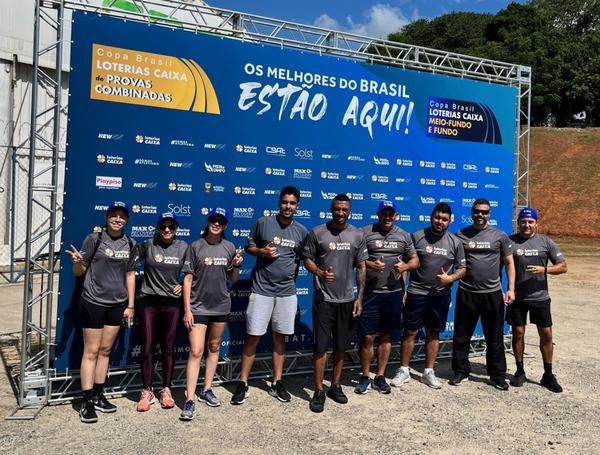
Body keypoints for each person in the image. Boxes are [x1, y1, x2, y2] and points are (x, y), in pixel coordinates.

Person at [231, 186, 308, 405]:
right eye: (285, 202)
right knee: (253, 337)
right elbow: (249, 247)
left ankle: (277, 382)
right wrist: (262, 252)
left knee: (279, 338)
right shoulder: (263, 223)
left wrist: (291, 274)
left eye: (292, 203)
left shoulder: (301, 231)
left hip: (286, 293)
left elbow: (299, 258)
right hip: (261, 290)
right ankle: (243, 383)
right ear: (279, 202)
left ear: (298, 206)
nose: (288, 207)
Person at [66, 201, 136, 423]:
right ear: (107, 217)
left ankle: (98, 394)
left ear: (127, 220)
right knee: (92, 351)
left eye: (122, 216)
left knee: (105, 351)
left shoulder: (130, 243)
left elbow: (130, 275)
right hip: (93, 302)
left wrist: (131, 305)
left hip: (118, 303)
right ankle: (85, 401)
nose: (118, 219)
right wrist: (77, 263)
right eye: (114, 215)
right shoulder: (94, 238)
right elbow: (80, 271)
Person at [302, 194, 367, 413]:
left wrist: (359, 298)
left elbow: (362, 266)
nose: (340, 213)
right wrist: (319, 272)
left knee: (341, 346)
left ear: (350, 211)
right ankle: (319, 390)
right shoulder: (317, 232)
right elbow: (307, 259)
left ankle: (335, 385)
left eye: (344, 210)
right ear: (331, 209)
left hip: (347, 301)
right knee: (320, 347)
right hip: (323, 300)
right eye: (337, 209)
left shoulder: (357, 235)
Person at [179, 208, 243, 421]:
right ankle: (189, 399)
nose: (216, 224)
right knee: (196, 351)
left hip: (221, 306)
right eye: (213, 220)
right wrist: (187, 309)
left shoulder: (229, 247)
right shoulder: (195, 246)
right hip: (197, 308)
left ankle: (207, 389)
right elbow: (187, 279)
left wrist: (236, 266)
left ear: (225, 226)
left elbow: (233, 278)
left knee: (214, 348)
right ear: (208, 222)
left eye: (221, 221)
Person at [395, 203, 466, 389]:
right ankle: (404, 370)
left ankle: (428, 372)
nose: (440, 222)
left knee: (434, 333)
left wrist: (450, 278)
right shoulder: (417, 236)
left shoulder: (455, 242)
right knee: (410, 332)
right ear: (431, 217)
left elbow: (462, 268)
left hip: (440, 295)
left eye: (444, 219)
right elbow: (406, 264)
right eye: (437, 218)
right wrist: (403, 290)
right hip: (416, 293)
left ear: (450, 220)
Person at [450, 198, 515, 390]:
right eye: (477, 211)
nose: (480, 215)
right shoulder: (460, 235)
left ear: (489, 214)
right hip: (467, 292)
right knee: (461, 335)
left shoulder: (500, 236)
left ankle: (497, 375)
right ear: (471, 212)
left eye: (484, 212)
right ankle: (461, 371)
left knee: (494, 337)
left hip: (492, 294)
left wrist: (510, 289)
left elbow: (509, 263)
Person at [355, 201, 419, 395]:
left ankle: (380, 376)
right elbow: (354, 259)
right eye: (384, 213)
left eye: (391, 214)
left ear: (396, 216)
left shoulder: (403, 235)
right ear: (378, 214)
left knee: (386, 336)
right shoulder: (365, 232)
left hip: (393, 295)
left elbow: (415, 260)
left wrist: (406, 267)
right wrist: (370, 264)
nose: (387, 217)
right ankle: (365, 376)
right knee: (367, 337)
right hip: (370, 294)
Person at [507, 207, 567, 392]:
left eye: (530, 222)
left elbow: (563, 266)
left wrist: (545, 270)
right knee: (518, 333)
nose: (527, 225)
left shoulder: (545, 242)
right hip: (517, 297)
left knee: (546, 334)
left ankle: (547, 375)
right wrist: (506, 290)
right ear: (518, 223)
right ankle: (519, 371)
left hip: (540, 297)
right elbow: (498, 266)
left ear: (536, 223)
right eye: (523, 222)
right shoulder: (510, 242)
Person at [134, 212, 188, 411]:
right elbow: (129, 266)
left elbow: (196, 274)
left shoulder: (183, 247)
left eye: (171, 226)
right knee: (147, 346)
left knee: (168, 347)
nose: (167, 230)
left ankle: (166, 389)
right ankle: (147, 390)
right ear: (157, 227)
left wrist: (184, 285)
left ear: (176, 228)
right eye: (163, 226)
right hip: (148, 302)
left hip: (172, 304)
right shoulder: (148, 244)